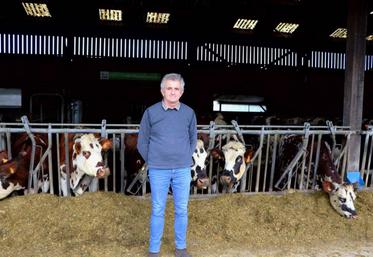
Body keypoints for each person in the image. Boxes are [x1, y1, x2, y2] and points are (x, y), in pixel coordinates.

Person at [137, 73, 197, 257]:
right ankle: (154, 250)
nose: (172, 92)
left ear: (182, 91)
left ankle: (181, 247)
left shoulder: (189, 113)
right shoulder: (151, 112)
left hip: (182, 169)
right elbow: (142, 141)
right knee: (157, 209)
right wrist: (154, 160)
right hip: (158, 170)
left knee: (182, 209)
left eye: (176, 88)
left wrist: (184, 157)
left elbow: (193, 138)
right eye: (169, 88)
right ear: (162, 90)